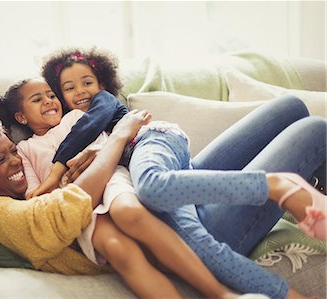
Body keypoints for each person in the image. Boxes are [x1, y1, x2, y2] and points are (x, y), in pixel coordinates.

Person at [40, 47, 327, 298]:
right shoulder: (74, 183)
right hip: (197, 218)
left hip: (169, 164)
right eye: (68, 88)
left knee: (290, 107)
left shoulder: (93, 119)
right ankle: (283, 188)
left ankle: (299, 192)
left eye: (87, 82)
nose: (80, 91)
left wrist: (60, 168)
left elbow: (89, 126)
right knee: (314, 128)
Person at [0, 78, 252, 299]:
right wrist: (57, 187)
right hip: (78, 203)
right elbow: (34, 194)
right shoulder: (26, 149)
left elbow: (110, 143)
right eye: (37, 99)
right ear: (21, 116)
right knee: (117, 249)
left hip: (110, 177)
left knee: (131, 212)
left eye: (51, 95)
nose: (49, 101)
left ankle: (220, 293)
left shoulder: (76, 117)